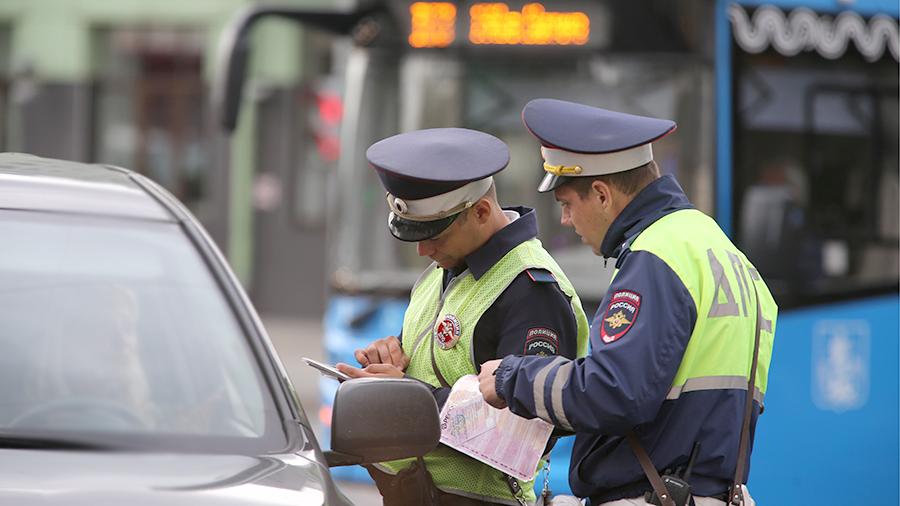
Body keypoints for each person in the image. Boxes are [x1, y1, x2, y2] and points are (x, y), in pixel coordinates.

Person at [477, 99, 777, 506]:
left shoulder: (657, 255)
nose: (566, 220)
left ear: (601, 194)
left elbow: (612, 392)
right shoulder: (721, 249)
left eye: (567, 204)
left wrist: (513, 378)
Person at [335, 127, 590, 506]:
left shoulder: (532, 290)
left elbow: (526, 429)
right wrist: (389, 359)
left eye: (434, 235)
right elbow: (434, 365)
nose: (423, 250)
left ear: (482, 212)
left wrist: (406, 398)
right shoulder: (446, 267)